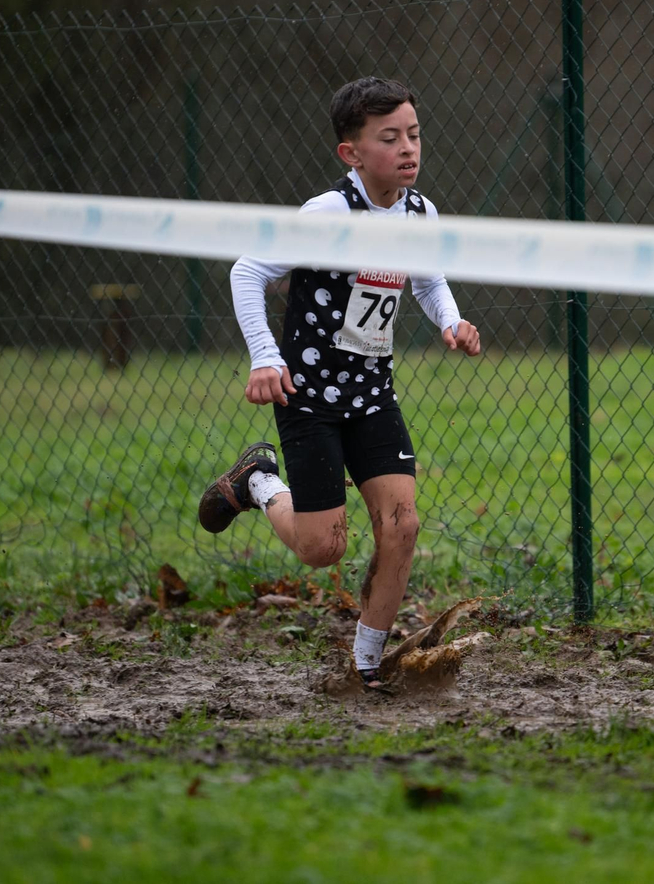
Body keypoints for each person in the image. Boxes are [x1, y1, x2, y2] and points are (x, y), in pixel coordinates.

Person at [198, 76, 482, 690]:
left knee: (401, 525)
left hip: (372, 392)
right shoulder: (327, 214)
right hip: (310, 399)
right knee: (321, 548)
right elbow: (247, 273)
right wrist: (265, 359)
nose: (408, 148)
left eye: (414, 134)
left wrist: (452, 321)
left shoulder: (418, 212)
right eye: (389, 138)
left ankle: (367, 663)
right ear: (350, 153)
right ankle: (259, 481)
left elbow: (428, 281)